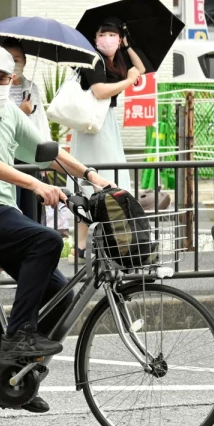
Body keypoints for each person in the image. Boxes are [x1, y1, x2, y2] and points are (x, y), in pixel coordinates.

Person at [0, 46, 115, 409]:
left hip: (1, 214)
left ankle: (12, 380)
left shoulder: (8, 110)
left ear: (12, 80)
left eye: (2, 79)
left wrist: (90, 176)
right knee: (47, 240)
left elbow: (44, 149)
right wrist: (34, 184)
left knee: (61, 294)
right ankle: (17, 337)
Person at [71, 18, 146, 255]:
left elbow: (140, 69)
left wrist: (127, 44)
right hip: (93, 126)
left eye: (112, 35)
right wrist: (127, 81)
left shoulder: (117, 60)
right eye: (103, 34)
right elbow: (100, 90)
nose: (108, 39)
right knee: (92, 180)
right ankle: (82, 245)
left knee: (107, 180)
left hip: (105, 122)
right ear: (95, 38)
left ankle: (93, 244)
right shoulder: (91, 59)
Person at [3, 39, 53, 226]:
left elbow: (41, 122)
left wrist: (46, 157)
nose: (14, 64)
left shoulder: (32, 88)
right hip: (7, 156)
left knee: (31, 205)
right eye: (9, 59)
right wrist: (21, 112)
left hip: (30, 155)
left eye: (17, 59)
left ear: (24, 62)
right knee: (12, 204)